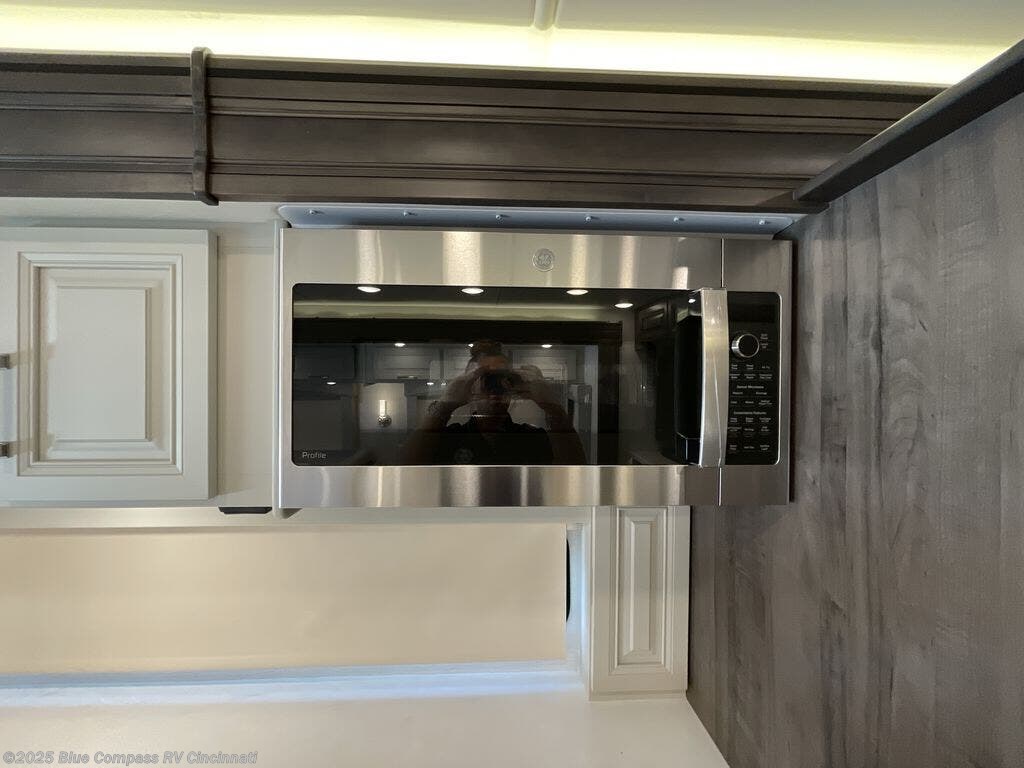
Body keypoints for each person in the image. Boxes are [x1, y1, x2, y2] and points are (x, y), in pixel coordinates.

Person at [401, 341, 586, 465]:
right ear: (469, 386)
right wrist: (445, 404)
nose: (494, 388)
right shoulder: (449, 437)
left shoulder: (531, 438)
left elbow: (574, 471)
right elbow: (407, 469)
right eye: (486, 378)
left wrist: (552, 406)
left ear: (512, 384)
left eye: (502, 378)